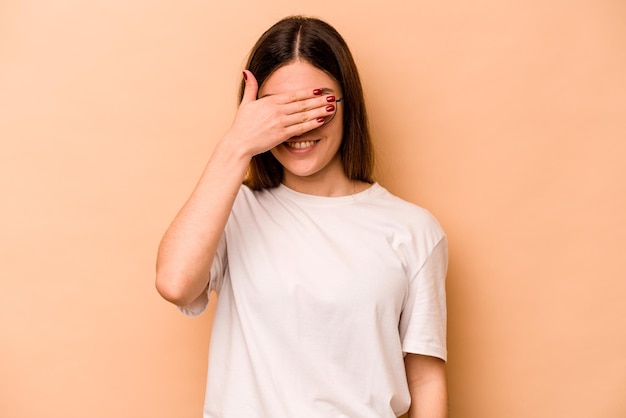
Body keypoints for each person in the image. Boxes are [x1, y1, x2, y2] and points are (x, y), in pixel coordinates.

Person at [156, 15, 448, 418]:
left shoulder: (413, 230)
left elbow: (425, 379)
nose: (299, 124)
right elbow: (174, 283)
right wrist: (236, 144)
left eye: (318, 103)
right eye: (279, 111)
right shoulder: (233, 212)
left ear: (348, 104)